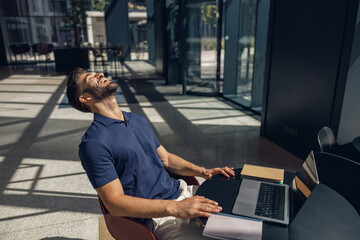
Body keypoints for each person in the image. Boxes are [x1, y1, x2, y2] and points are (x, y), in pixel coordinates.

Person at [66, 68, 235, 239]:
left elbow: (167, 159)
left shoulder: (136, 119)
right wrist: (175, 208)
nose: (99, 74)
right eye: (91, 77)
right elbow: (114, 203)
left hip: (184, 192)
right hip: (159, 217)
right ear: (85, 98)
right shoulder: (93, 143)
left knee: (240, 217)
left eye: (97, 73)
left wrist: (203, 171)